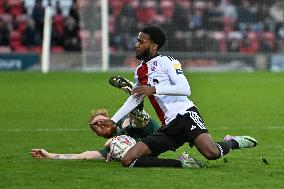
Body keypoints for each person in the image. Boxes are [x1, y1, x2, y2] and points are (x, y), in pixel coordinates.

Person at [97, 26, 257, 168]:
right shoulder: (139, 70)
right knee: (128, 160)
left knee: (212, 153)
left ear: (153, 46)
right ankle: (183, 163)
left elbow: (185, 89)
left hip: (185, 115)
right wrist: (114, 120)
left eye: (141, 41)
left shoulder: (168, 61)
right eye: (137, 41)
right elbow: (135, 97)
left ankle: (233, 141)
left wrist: (154, 89)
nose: (136, 44)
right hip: (167, 127)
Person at [30, 77, 160, 161]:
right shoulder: (111, 148)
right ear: (97, 134)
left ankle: (136, 102)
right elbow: (84, 156)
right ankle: (136, 102)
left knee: (134, 122)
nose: (101, 125)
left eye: (102, 121)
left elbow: (126, 123)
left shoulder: (120, 123)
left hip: (153, 133)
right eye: (96, 126)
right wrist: (49, 155)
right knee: (134, 122)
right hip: (148, 148)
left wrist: (114, 139)